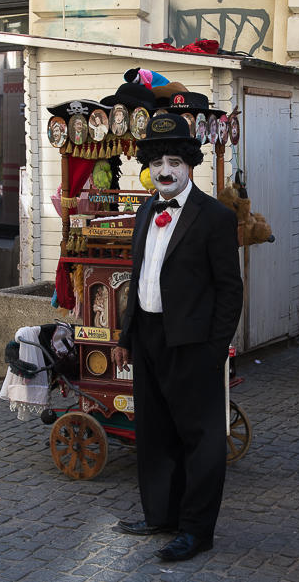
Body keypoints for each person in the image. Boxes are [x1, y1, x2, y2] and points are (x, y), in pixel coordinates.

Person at [111, 113, 243, 562]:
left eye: (174, 161)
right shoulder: (147, 209)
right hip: (148, 334)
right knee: (153, 431)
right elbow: (140, 274)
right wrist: (130, 333)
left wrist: (214, 350)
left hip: (193, 343)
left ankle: (196, 531)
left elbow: (230, 290)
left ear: (189, 165)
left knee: (200, 439)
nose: (165, 170)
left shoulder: (216, 217)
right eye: (157, 161)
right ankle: (161, 515)